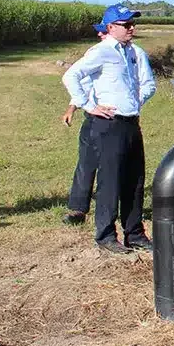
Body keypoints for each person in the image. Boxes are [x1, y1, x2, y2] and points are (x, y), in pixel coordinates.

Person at [62, 4, 156, 255]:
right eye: (126, 25)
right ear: (111, 27)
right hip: (109, 125)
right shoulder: (101, 51)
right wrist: (88, 105)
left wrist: (134, 103)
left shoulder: (133, 52)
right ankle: (105, 235)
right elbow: (71, 76)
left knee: (134, 180)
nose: (131, 28)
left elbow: (146, 84)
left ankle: (134, 233)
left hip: (131, 123)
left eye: (132, 24)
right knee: (110, 181)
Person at [60, 23, 108, 226]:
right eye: (100, 30)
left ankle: (114, 210)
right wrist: (73, 108)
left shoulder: (131, 55)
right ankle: (78, 209)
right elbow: (82, 83)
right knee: (86, 163)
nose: (99, 33)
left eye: (103, 30)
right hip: (94, 118)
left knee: (114, 167)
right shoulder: (95, 54)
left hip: (120, 121)